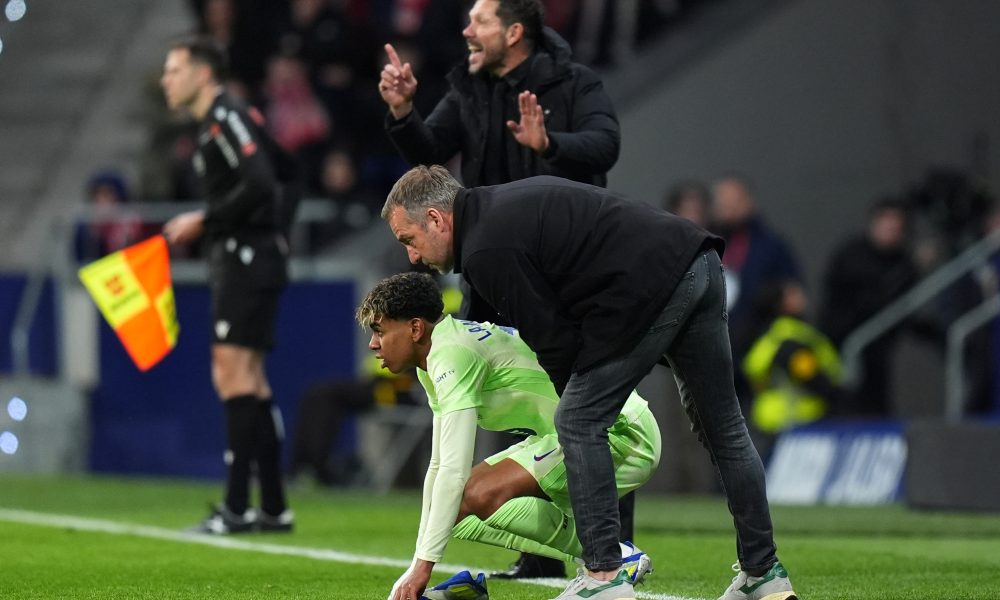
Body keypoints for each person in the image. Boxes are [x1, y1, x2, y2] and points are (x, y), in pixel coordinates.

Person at [381, 165, 797, 600]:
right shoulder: (497, 210)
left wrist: (574, 413)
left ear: (436, 218)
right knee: (725, 428)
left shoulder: (486, 248)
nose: (413, 257)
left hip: (653, 282)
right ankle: (763, 574)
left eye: (409, 240)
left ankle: (604, 576)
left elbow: (553, 341)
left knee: (578, 420)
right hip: (701, 261)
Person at [379, 2, 627, 577]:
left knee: (587, 401)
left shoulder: (573, 82)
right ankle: (543, 551)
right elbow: (429, 165)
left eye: (481, 20)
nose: (466, 29)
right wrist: (401, 112)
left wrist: (550, 145)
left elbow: (605, 145)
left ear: (514, 33)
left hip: (564, 269)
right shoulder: (468, 86)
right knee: (520, 394)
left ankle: (609, 549)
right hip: (487, 262)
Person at [356, 272, 659, 600]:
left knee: (469, 494)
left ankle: (610, 557)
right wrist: (418, 561)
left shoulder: (453, 355)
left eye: (379, 331)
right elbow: (438, 466)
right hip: (573, 435)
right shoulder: (433, 358)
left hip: (620, 432)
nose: (373, 344)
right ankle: (615, 554)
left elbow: (455, 471)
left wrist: (421, 569)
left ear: (415, 328)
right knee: (447, 514)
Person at [160, 36, 298, 534]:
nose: (165, 80)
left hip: (245, 259)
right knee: (251, 381)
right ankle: (274, 506)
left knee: (232, 375)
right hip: (250, 256)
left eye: (173, 70)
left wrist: (207, 217)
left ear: (202, 73)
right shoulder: (227, 119)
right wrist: (279, 234)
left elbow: (262, 180)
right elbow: (288, 170)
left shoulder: (224, 114)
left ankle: (237, 507)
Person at [818, 197, 920, 416]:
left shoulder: (901, 260)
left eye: (897, 228)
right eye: (887, 225)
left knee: (876, 404)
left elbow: (903, 308)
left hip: (877, 348)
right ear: (874, 224)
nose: (891, 232)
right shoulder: (852, 255)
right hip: (840, 342)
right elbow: (863, 300)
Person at [740, 279, 843, 459]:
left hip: (766, 420)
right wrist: (840, 396)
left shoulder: (770, 335)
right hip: (795, 421)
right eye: (793, 293)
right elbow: (812, 378)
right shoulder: (792, 341)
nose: (800, 295)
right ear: (782, 304)